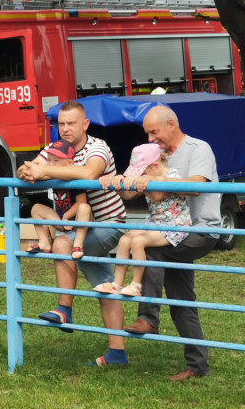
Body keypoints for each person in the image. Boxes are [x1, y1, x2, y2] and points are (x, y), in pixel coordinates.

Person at [100, 104, 218, 381]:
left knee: (150, 250)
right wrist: (122, 182)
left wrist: (155, 180)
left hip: (200, 230)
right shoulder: (153, 154)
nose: (150, 139)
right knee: (181, 299)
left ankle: (148, 318)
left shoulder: (198, 149)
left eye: (154, 132)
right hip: (170, 231)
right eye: (147, 133)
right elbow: (130, 194)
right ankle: (197, 366)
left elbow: (196, 186)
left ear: (172, 125)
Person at [17, 100, 128, 368]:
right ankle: (117, 353)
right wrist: (28, 169)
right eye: (61, 124)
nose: (65, 129)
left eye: (71, 123)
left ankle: (64, 310)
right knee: (104, 285)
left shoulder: (97, 147)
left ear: (85, 124)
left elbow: (90, 172)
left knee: (62, 245)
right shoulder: (55, 149)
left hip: (107, 223)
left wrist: (45, 170)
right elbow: (27, 169)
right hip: (79, 226)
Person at [96, 143, 191, 297]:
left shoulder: (172, 175)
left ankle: (136, 285)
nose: (140, 175)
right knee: (125, 240)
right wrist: (119, 184)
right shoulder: (145, 178)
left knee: (138, 241)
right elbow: (128, 196)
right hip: (155, 224)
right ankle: (117, 284)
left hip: (175, 226)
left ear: (155, 164)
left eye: (142, 171)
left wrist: (143, 181)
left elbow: (157, 196)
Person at [26, 139, 92, 258]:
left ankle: (78, 245)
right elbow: (33, 173)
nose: (51, 164)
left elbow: (81, 202)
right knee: (36, 208)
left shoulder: (74, 178)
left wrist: (66, 216)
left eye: (56, 160)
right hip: (61, 221)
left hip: (77, 221)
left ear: (69, 163)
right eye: (49, 160)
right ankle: (44, 243)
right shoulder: (51, 177)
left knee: (84, 208)